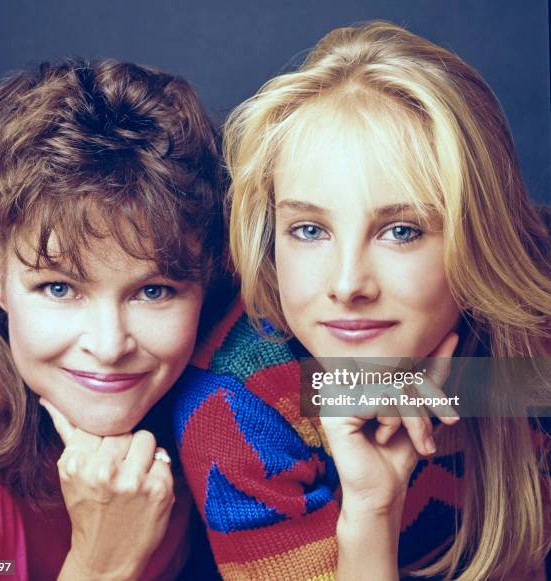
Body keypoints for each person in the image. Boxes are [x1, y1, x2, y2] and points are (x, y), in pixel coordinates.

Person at [173, 21, 550, 580]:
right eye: (308, 230)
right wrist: (373, 507)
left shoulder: (528, 337)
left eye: (401, 231)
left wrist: (469, 385)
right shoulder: (236, 406)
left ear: (480, 233)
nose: (348, 284)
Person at [0, 58, 227, 580]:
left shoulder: (227, 346)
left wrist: (422, 385)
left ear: (207, 279)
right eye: (59, 288)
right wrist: (102, 564)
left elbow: (379, 383)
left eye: (153, 291)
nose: (109, 344)